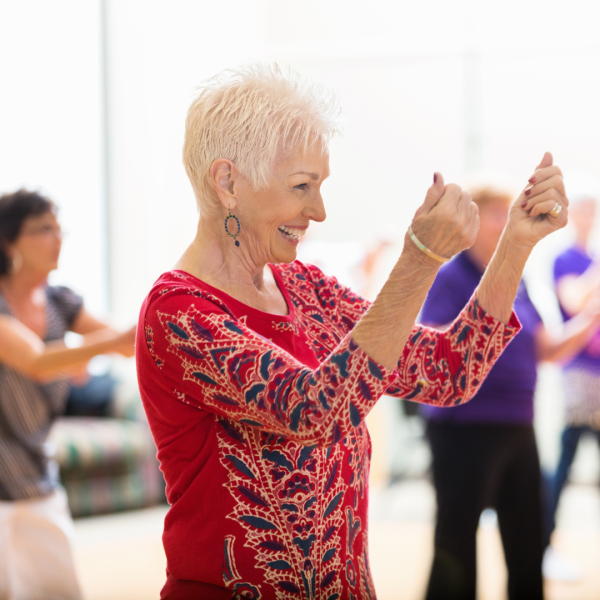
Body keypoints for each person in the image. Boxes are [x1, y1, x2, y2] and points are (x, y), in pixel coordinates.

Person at [135, 63, 568, 600]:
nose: (318, 210)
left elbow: (449, 372)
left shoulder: (306, 287)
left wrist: (516, 245)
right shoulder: (179, 311)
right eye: (302, 186)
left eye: (320, 186)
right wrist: (420, 258)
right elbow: (317, 410)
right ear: (227, 182)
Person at [419, 184, 600, 600]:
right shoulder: (449, 277)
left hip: (519, 423)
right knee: (456, 540)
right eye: (499, 214)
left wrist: (590, 315)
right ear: (474, 221)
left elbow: (545, 348)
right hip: (463, 427)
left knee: (528, 542)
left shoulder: (517, 281)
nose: (508, 223)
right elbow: (434, 350)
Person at [0, 189, 136, 600]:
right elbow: (37, 360)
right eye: (43, 229)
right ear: (8, 241)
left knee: (58, 590)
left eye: (60, 229)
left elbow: (127, 344)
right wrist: (88, 351)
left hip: (35, 469)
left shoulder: (61, 302)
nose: (57, 239)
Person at [545, 191, 600, 570]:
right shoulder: (565, 259)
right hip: (579, 372)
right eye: (584, 208)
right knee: (566, 458)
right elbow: (575, 301)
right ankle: (544, 541)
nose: (589, 215)